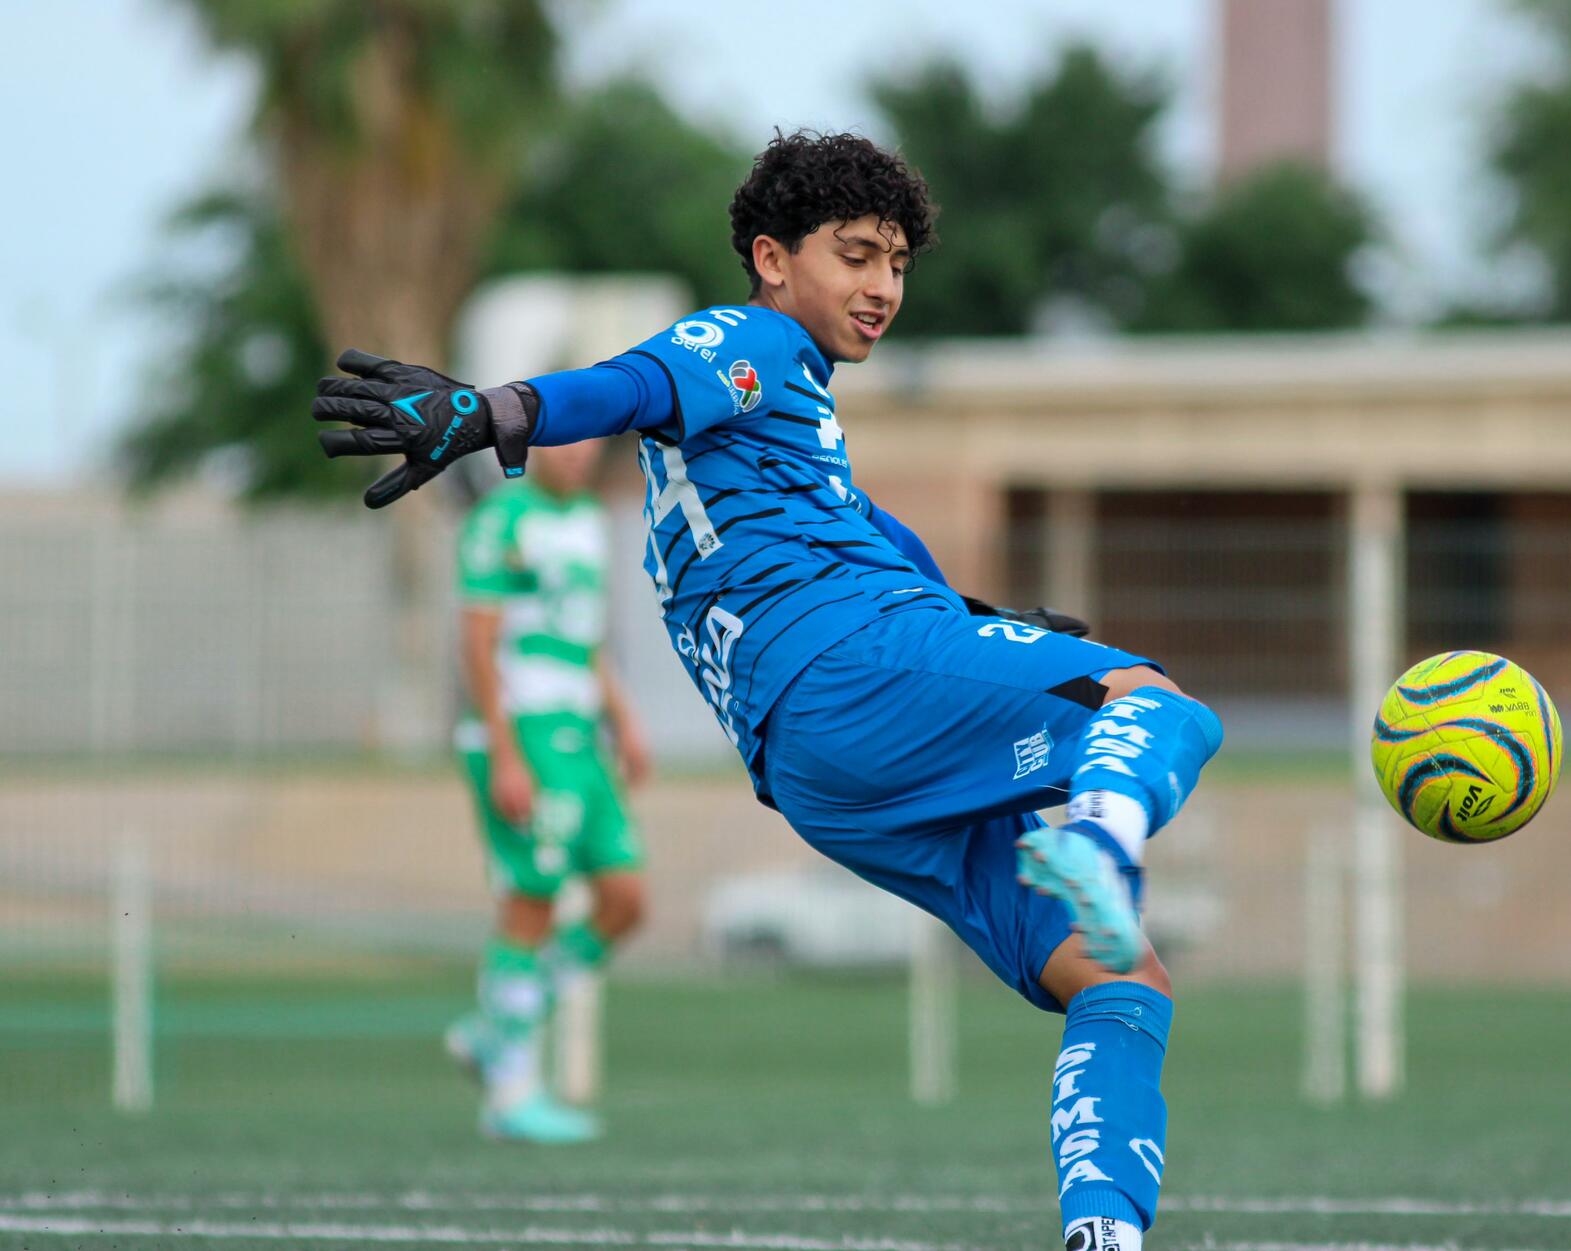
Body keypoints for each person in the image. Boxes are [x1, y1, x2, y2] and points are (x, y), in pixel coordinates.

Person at [312, 131, 1221, 1249]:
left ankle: (1107, 1237)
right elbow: (635, 381)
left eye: (897, 262)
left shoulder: (794, 442)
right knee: (1161, 707)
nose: (884, 286)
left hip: (818, 772)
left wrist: (994, 624)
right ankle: (1103, 838)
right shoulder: (751, 340)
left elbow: (881, 555)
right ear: (773, 257)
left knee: (1120, 978)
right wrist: (488, 413)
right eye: (856, 255)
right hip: (847, 675)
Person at [444, 439, 653, 1144]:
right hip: (524, 733)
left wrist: (623, 719)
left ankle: (497, 1024)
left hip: (580, 738)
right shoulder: (501, 521)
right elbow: (477, 644)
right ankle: (509, 1093)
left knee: (626, 900)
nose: (577, 455)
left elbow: (585, 636)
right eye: (564, 441)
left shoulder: (591, 520)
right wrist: (505, 753)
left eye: (588, 442)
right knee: (530, 905)